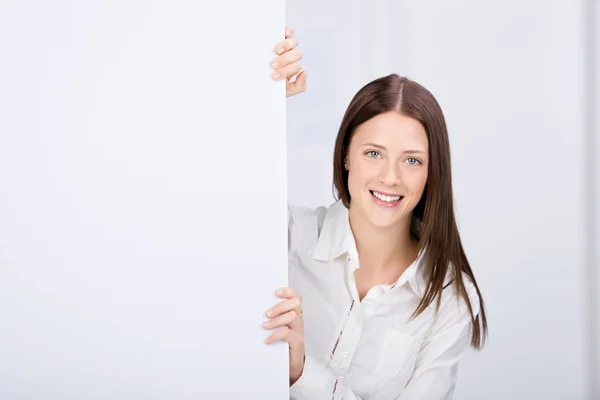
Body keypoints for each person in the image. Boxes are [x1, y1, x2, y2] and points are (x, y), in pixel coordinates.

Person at [262, 27, 488, 399]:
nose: (390, 177)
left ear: (432, 173)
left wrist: (302, 373)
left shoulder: (450, 296)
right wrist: (263, 99)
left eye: (412, 160)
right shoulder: (287, 236)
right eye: (373, 153)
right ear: (346, 155)